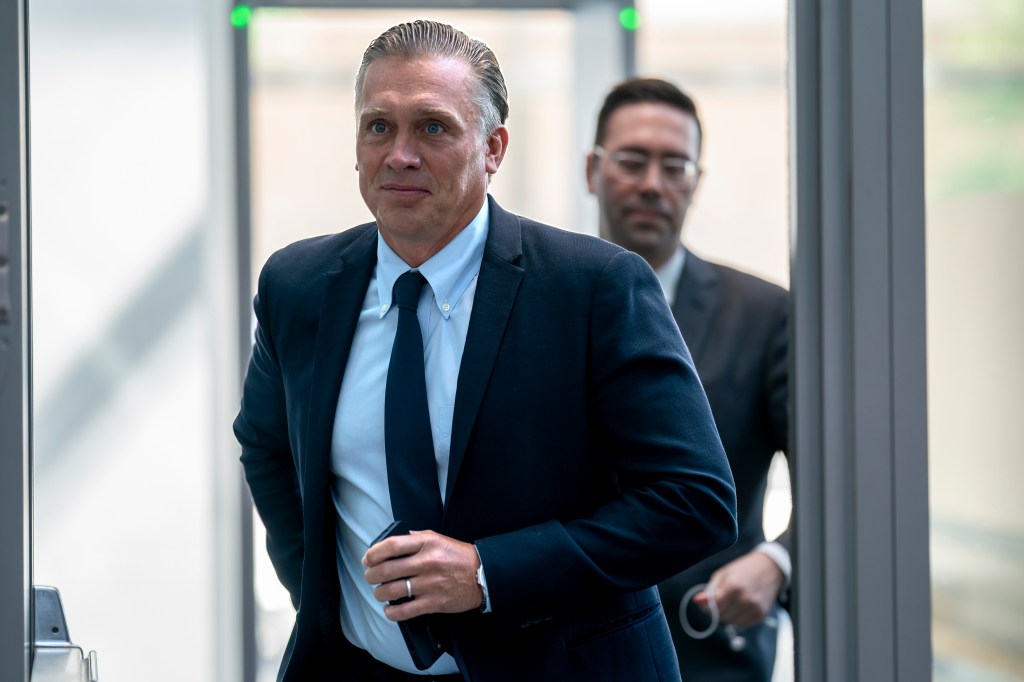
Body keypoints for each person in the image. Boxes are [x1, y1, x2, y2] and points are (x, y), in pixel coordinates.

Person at [235, 21, 738, 682]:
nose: (400, 154)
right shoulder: (297, 286)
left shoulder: (592, 287)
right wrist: (326, 595)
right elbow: (268, 448)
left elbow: (694, 500)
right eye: (378, 126)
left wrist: (487, 573)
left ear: (493, 147)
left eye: (434, 128)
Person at [586, 78, 790, 681]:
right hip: (564, 649)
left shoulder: (762, 314)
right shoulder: (534, 303)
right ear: (592, 170)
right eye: (632, 160)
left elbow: (836, 486)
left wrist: (777, 561)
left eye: (674, 165)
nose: (653, 182)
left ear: (696, 183)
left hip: (708, 645)